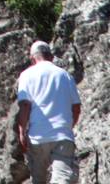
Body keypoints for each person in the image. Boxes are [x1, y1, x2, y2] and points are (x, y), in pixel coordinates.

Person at [16, 40, 81, 184]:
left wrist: (22, 131)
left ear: (33, 58)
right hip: (62, 135)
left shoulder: (26, 75)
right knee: (62, 178)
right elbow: (76, 107)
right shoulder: (64, 75)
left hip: (37, 136)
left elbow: (25, 106)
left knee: (38, 179)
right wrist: (69, 126)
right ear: (50, 56)